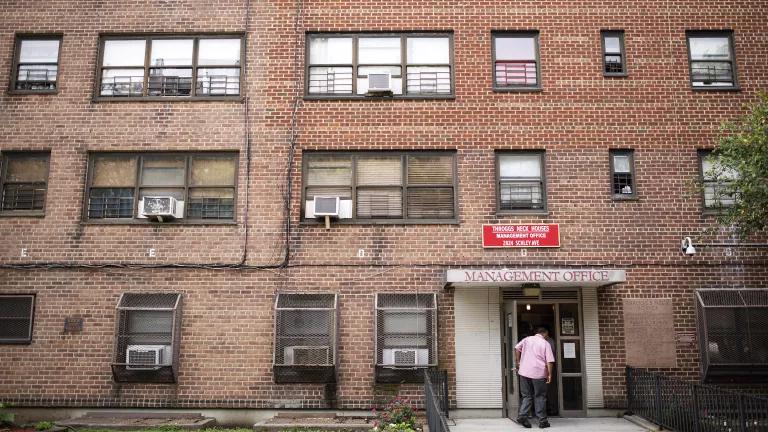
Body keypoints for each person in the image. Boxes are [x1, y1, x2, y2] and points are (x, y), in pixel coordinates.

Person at [514, 326, 555, 429]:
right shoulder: (546, 343)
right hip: (538, 373)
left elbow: (517, 348)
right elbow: (549, 361)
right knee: (540, 396)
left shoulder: (527, 339)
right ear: (545, 333)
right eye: (547, 335)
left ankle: (522, 415)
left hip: (524, 372)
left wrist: (518, 362)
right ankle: (542, 421)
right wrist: (550, 374)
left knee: (526, 396)